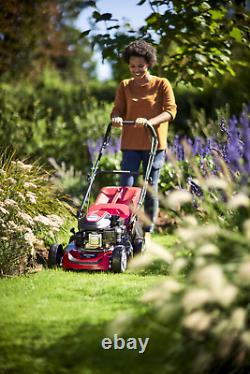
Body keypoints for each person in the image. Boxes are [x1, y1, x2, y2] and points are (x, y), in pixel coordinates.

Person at [111, 39, 177, 234]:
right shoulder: (125, 85)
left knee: (150, 188)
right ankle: (123, 227)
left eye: (140, 65)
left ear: (148, 63)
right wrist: (115, 118)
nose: (136, 69)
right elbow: (117, 110)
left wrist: (150, 122)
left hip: (154, 145)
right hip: (130, 144)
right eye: (132, 66)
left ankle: (148, 229)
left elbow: (170, 111)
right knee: (126, 187)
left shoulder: (161, 84)